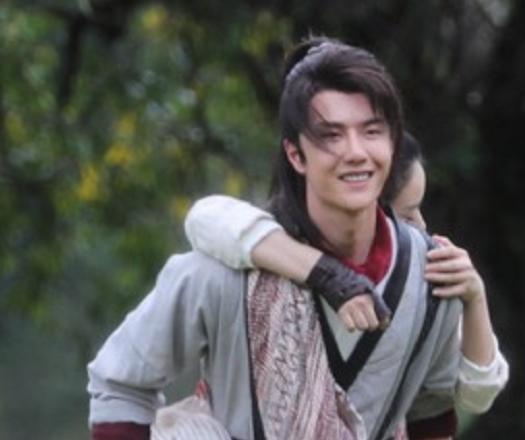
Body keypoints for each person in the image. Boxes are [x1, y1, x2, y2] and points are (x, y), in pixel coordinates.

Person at [88, 36, 465, 440]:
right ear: (295, 154)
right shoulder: (222, 274)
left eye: (372, 131)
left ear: (393, 142)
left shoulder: (431, 277)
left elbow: (433, 412)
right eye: (331, 136)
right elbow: (119, 386)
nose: (356, 152)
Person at [184, 133, 508, 429]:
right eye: (408, 215)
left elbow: (477, 395)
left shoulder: (416, 280)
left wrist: (474, 298)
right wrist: (324, 273)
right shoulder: (270, 255)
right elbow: (205, 217)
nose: (422, 227)